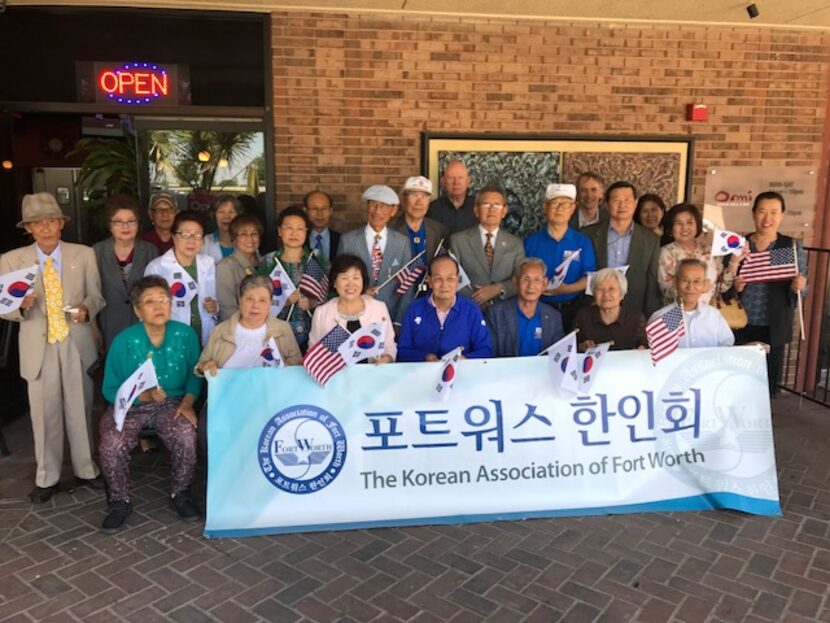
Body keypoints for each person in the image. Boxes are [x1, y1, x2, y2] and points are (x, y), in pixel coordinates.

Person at [0, 193, 106, 502]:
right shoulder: (10, 260)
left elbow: (96, 296)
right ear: (28, 229)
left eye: (51, 221)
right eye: (37, 223)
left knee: (81, 405)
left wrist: (87, 309)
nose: (46, 228)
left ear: (61, 223)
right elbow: (3, 305)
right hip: (38, 344)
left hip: (75, 339)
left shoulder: (83, 254)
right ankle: (47, 477)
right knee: (43, 412)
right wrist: (21, 307)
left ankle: (87, 469)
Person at [98, 276, 202, 532]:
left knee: (186, 434)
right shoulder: (124, 340)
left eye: (163, 300)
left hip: (172, 403)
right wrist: (142, 397)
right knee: (112, 441)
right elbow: (110, 389)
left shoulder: (185, 334)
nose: (158, 306)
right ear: (137, 310)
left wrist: (188, 402)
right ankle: (119, 501)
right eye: (149, 302)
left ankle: (181, 494)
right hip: (131, 406)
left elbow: (195, 374)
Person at [196, 274, 302, 453]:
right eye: (249, 299)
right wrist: (207, 366)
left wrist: (285, 365)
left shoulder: (282, 329)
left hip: (269, 399)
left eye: (262, 300)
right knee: (207, 435)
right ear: (240, 301)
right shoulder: (221, 330)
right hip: (227, 400)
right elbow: (200, 366)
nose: (255, 306)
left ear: (270, 303)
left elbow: (296, 366)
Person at [733, 191, 807, 396]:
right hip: (741, 321)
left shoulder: (788, 246)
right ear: (753, 213)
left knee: (767, 382)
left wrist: (798, 286)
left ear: (782, 215)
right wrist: (734, 287)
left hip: (774, 323)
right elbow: (724, 284)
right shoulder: (741, 244)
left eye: (774, 212)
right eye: (762, 211)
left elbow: (802, 287)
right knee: (738, 377)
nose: (768, 218)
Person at [583, 181, 662, 317]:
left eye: (627, 200)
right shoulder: (587, 234)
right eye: (616, 200)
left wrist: (649, 316)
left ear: (636, 203)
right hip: (595, 309)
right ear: (607, 205)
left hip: (634, 311)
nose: (622, 205)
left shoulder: (651, 239)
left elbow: (651, 282)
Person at [523, 183, 596, 330]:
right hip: (539, 309)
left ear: (573, 208)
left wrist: (567, 289)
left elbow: (590, 277)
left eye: (565, 204)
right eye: (554, 203)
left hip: (573, 310)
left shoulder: (583, 242)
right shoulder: (530, 242)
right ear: (545, 207)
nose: (559, 209)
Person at [337, 185, 413, 322]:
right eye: (373, 204)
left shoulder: (402, 243)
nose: (378, 211)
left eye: (384, 206)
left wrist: (399, 322)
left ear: (393, 210)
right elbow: (338, 278)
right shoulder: (348, 240)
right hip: (355, 315)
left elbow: (407, 286)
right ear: (367, 207)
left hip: (391, 315)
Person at [93, 194, 159, 350]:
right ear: (110, 225)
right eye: (118, 222)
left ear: (138, 224)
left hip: (144, 324)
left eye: (131, 221)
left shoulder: (150, 250)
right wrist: (94, 329)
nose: (125, 227)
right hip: (109, 325)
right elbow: (92, 292)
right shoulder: (96, 252)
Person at [398, 255, 492, 361]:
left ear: (458, 280)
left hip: (460, 372)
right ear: (429, 281)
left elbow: (485, 350)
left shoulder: (471, 310)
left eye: (450, 278)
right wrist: (424, 357)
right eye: (438, 279)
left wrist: (465, 359)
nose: (444, 285)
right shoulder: (414, 309)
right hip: (423, 373)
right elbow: (403, 350)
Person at [144, 211, 218, 346]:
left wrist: (214, 307)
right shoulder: (157, 267)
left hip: (204, 333)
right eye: (185, 235)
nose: (191, 240)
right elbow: (148, 309)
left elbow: (214, 298)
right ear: (174, 237)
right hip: (170, 336)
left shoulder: (208, 263)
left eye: (197, 235)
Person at [309, 254, 396, 363]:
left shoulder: (379, 308)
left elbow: (389, 345)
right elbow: (314, 350)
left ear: (363, 281)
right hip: (337, 377)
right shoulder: (322, 312)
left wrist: (387, 358)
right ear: (335, 282)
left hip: (372, 374)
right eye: (344, 278)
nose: (351, 284)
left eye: (356, 278)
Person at [449, 184, 525, 307]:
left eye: (497, 205)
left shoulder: (515, 244)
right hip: (469, 309)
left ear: (504, 211)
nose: (491, 209)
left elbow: (520, 279)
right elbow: (452, 277)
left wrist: (499, 288)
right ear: (476, 210)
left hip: (503, 311)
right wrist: (477, 298)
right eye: (486, 204)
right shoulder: (458, 241)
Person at [259, 206, 322, 351]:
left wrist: (312, 302)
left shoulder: (316, 258)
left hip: (312, 331)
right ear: (280, 231)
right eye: (288, 228)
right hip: (276, 331)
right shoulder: (268, 261)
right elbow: (258, 296)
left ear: (306, 232)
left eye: (300, 229)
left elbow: (331, 291)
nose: (294, 233)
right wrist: (284, 301)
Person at [658, 203, 739, 306]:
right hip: (678, 314)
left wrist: (735, 261)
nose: (684, 227)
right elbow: (666, 291)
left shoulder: (709, 251)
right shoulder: (666, 253)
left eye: (689, 222)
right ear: (671, 227)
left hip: (707, 314)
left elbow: (721, 287)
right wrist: (698, 287)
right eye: (679, 223)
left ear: (697, 225)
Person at [485, 258, 564, 357]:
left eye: (537, 280)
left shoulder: (553, 316)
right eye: (526, 279)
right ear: (516, 281)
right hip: (506, 371)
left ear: (544, 284)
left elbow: (558, 355)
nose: (531, 286)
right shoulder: (496, 314)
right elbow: (489, 354)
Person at [651, 259, 734, 348]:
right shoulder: (661, 317)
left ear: (704, 284)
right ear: (675, 282)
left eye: (696, 281)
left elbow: (727, 345)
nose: (690, 287)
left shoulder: (713, 315)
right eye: (685, 280)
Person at [573, 268, 648, 352]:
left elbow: (645, 345)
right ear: (594, 294)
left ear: (622, 294)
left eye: (611, 289)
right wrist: (582, 347)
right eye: (600, 289)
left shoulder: (636, 317)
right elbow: (571, 347)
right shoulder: (583, 316)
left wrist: (641, 349)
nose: (606, 294)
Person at [216, 214, 263, 321]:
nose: (250, 239)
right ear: (234, 238)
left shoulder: (266, 261)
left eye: (254, 234)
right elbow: (227, 310)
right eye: (243, 235)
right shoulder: (226, 267)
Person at [391, 175, 450, 260]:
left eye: (424, 196)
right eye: (414, 195)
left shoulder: (440, 231)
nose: (419, 202)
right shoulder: (390, 229)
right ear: (404, 200)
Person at [427, 159, 477, 234]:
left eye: (460, 178)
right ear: (443, 182)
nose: (456, 182)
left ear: (468, 181)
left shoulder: (479, 207)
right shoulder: (432, 209)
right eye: (451, 178)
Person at [304, 190, 340, 262]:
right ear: (305, 210)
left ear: (330, 211)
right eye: (314, 209)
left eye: (324, 209)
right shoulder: (298, 239)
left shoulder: (341, 240)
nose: (319, 213)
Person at [202, 194, 240, 262]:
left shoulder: (247, 240)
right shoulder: (204, 242)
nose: (226, 217)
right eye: (221, 212)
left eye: (231, 212)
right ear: (214, 215)